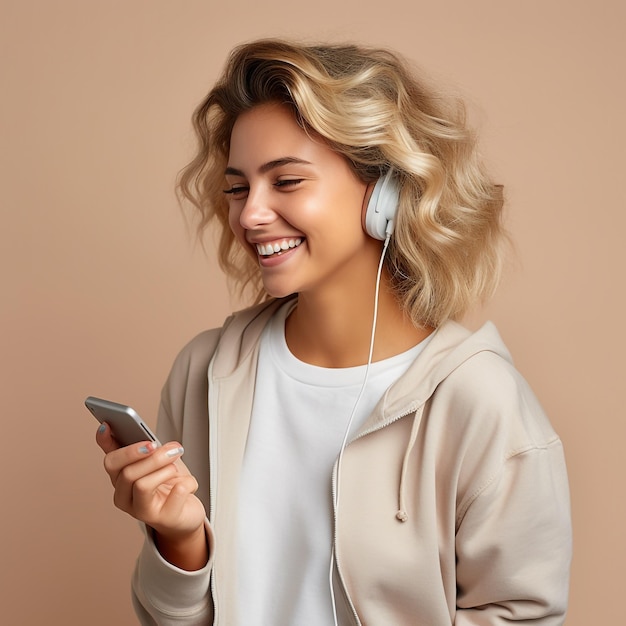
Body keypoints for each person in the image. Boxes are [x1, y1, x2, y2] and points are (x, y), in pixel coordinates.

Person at [96, 39, 572, 625]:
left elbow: (523, 613)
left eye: (287, 181)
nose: (249, 215)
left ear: (386, 194)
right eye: (239, 187)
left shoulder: (478, 400)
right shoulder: (207, 372)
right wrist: (179, 540)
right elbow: (173, 619)